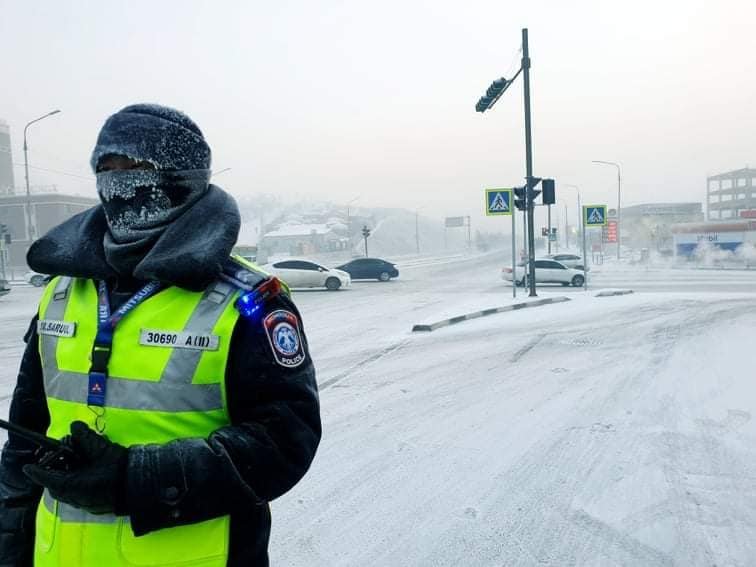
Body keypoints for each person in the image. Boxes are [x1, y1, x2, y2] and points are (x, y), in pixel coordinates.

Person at [0, 104, 321, 567]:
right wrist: (11, 545)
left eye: (135, 168)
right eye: (106, 169)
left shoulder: (249, 300)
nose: (117, 182)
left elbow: (286, 441)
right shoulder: (61, 291)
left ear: (183, 179)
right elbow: (25, 440)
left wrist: (135, 480)